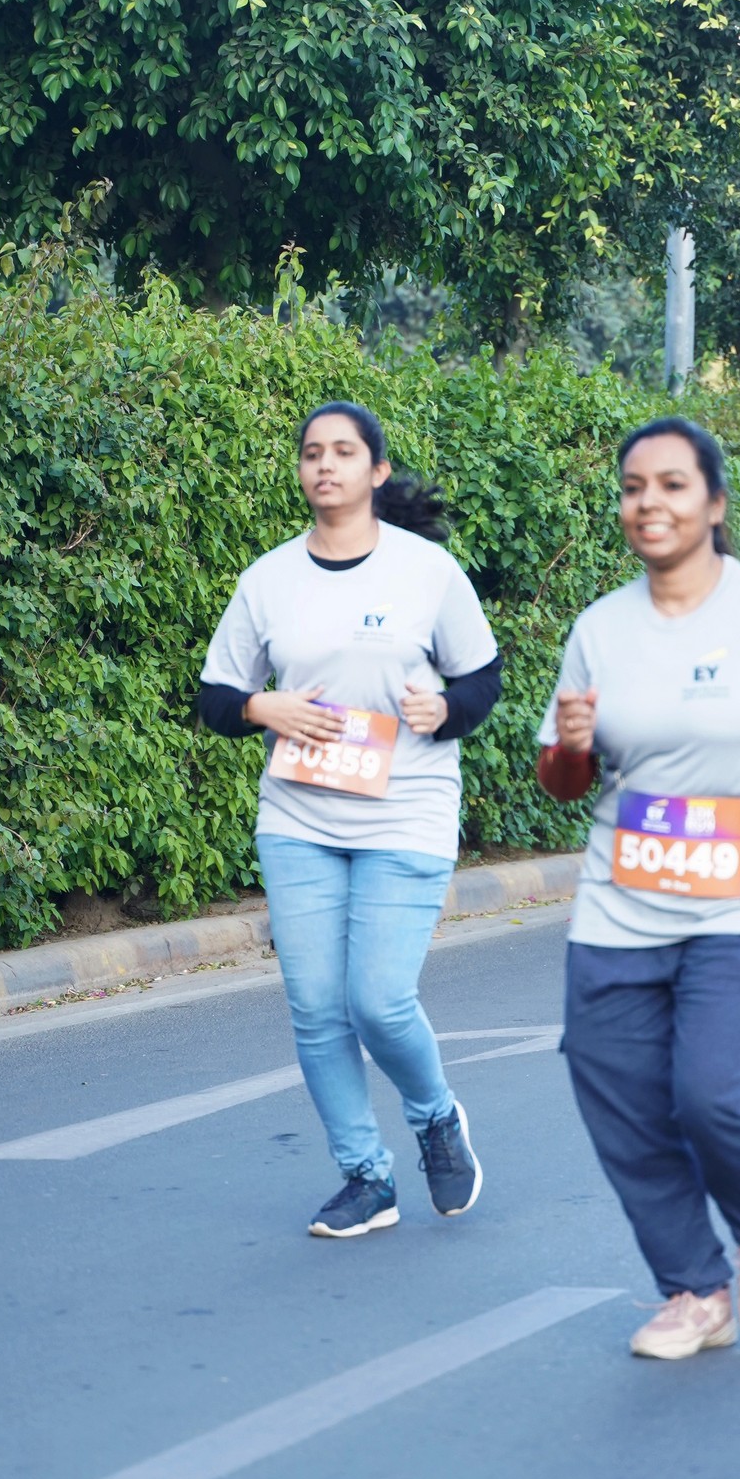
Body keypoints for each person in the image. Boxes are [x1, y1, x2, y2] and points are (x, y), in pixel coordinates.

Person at [537, 418, 740, 1362]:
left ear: (714, 504)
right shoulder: (601, 629)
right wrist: (570, 746)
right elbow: (562, 780)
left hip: (739, 897)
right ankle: (692, 1289)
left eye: (673, 485)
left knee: (712, 1092)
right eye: (633, 486)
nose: (649, 502)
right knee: (619, 1096)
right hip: (620, 900)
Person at [199, 400, 499, 1239]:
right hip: (299, 817)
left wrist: (444, 709)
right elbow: (216, 694)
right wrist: (262, 707)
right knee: (316, 1009)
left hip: (407, 810)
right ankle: (366, 1177)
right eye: (311, 453)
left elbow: (481, 678)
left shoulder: (426, 571)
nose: (324, 465)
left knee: (378, 1000)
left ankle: (435, 1117)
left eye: (342, 452)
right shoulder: (269, 580)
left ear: (376, 471)